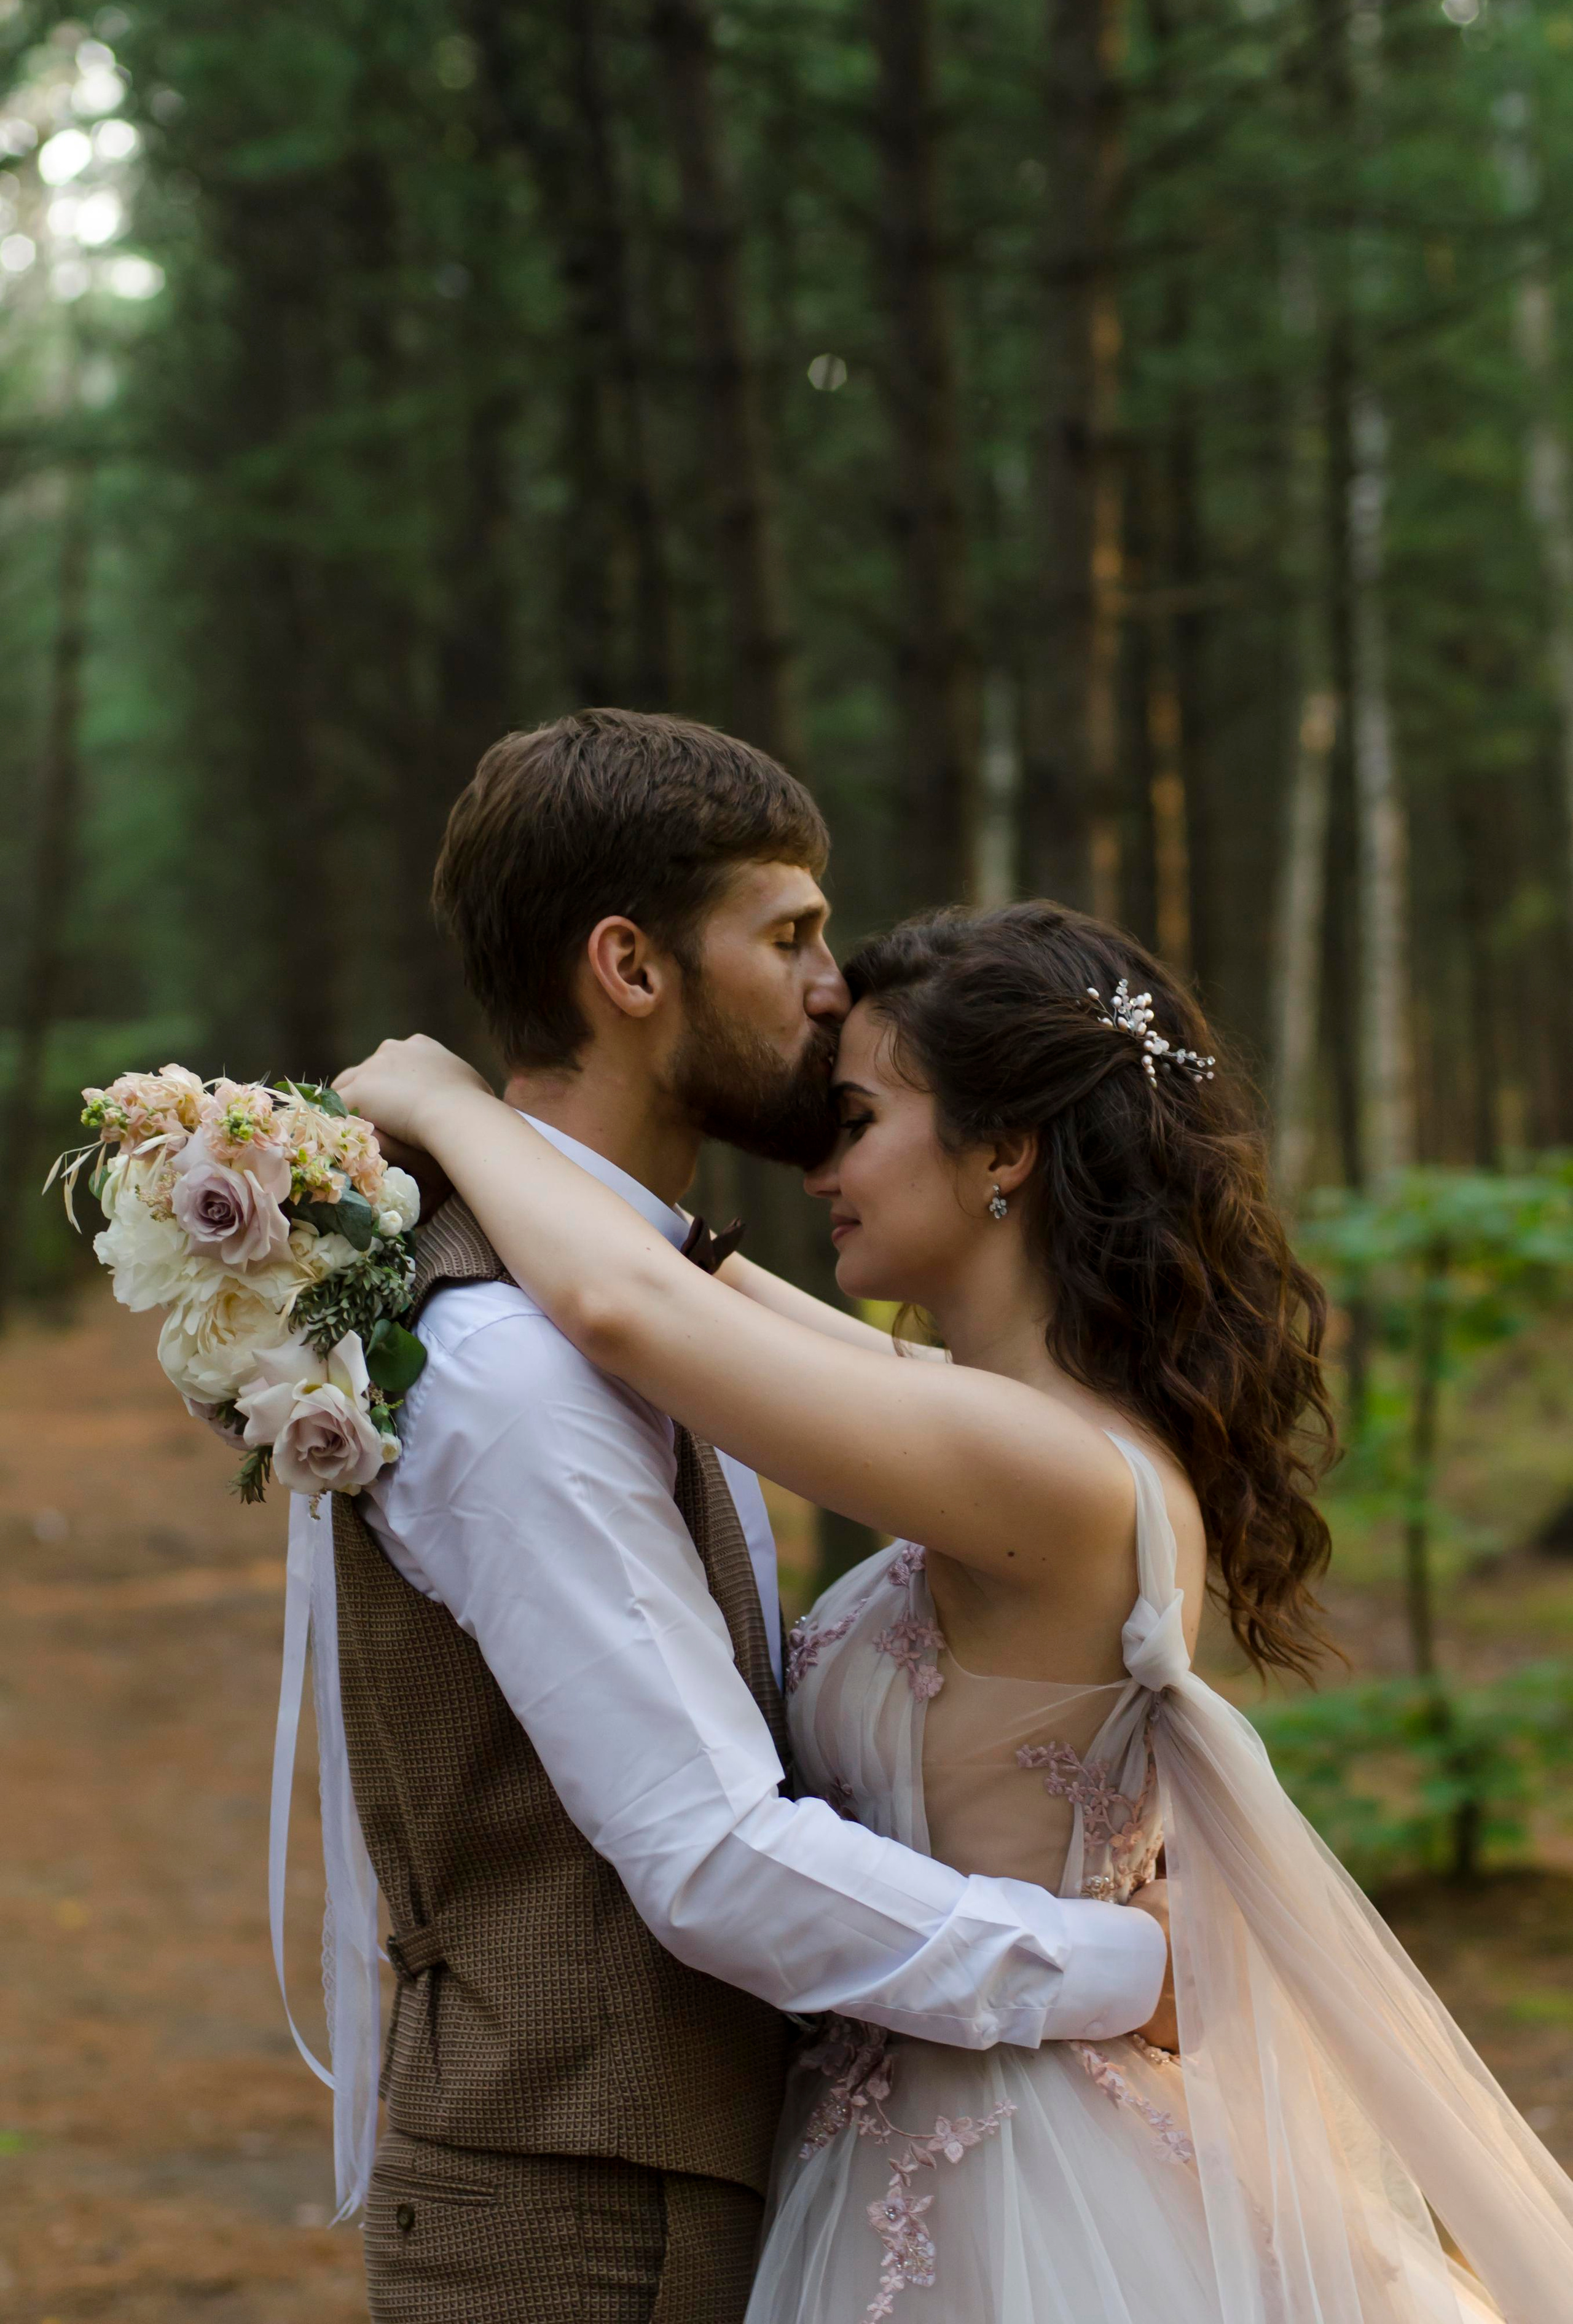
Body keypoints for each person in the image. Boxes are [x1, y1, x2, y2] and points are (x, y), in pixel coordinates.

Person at [339, 898, 1573, 2324]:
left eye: (855, 1120)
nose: (822, 1168)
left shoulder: (1045, 1471)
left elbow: (629, 1307)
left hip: (1025, 2182)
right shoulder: (1007, 1428)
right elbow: (691, 1274)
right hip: (912, 2134)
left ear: (1002, 1151)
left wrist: (444, 1103)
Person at [300, 711, 1171, 2324]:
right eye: (791, 935)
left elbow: (656, 1288)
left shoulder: (640, 1312)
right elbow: (709, 1855)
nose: (832, 984)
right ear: (630, 969)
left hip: (716, 2181)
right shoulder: (512, 1365)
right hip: (573, 2218)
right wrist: (1130, 1970)